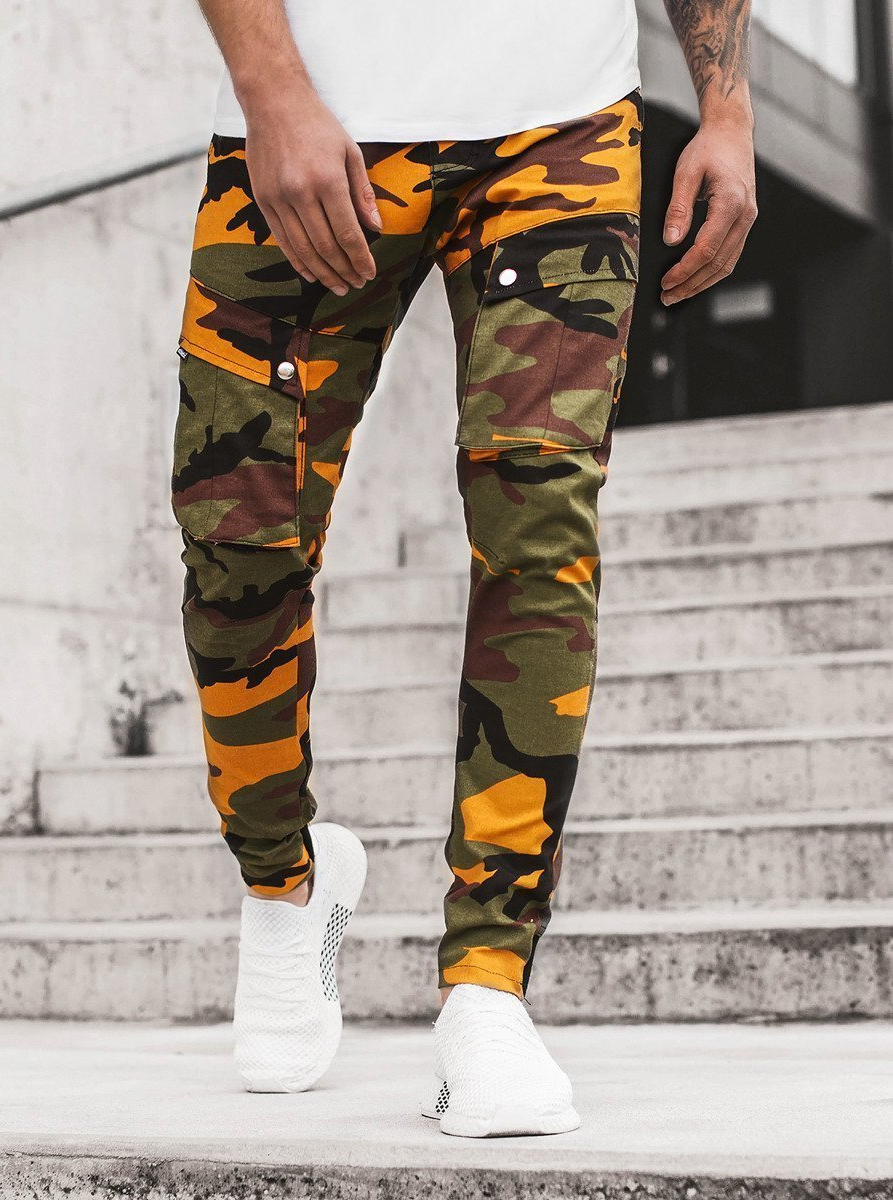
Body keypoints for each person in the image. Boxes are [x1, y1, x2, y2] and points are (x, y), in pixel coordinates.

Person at [173, 0, 756, 1137]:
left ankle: (487, 988)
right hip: (306, 119)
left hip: (562, 127)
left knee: (539, 538)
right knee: (236, 538)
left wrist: (726, 109)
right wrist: (269, 87)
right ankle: (284, 881)